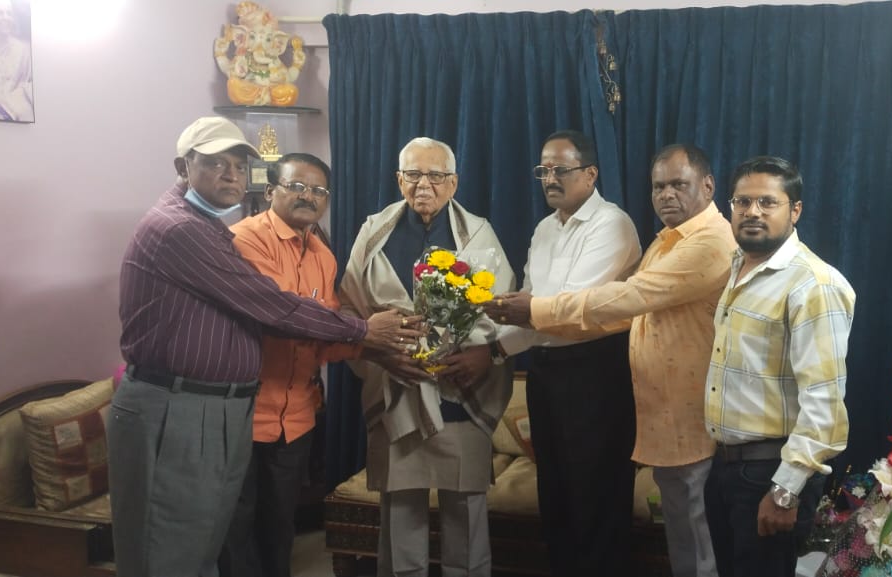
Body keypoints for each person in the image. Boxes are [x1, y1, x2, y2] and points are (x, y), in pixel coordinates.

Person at [110, 116, 422, 577]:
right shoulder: (187, 230)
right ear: (183, 167)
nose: (231, 175)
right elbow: (273, 308)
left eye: (239, 166)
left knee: (214, 540)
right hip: (182, 406)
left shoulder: (232, 232)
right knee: (178, 547)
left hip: (234, 409)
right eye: (216, 163)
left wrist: (372, 347)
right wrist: (363, 332)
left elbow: (312, 332)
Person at [484, 144, 735, 577]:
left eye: (679, 184)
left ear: (709, 186)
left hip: (679, 409)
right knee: (677, 536)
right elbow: (628, 313)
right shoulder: (667, 239)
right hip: (662, 411)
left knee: (695, 539)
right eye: (658, 186)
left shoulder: (708, 241)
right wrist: (507, 336)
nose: (666, 195)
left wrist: (534, 310)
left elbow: (627, 298)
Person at [338, 137, 516, 577]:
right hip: (396, 387)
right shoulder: (374, 232)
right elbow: (349, 307)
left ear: (453, 183)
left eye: (436, 176)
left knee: (466, 513)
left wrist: (483, 354)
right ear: (398, 179)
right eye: (414, 175)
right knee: (401, 511)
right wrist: (380, 356)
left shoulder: (478, 233)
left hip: (460, 390)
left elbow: (502, 307)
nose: (424, 185)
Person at [218, 153, 392, 577]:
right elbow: (281, 314)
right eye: (296, 186)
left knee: (280, 526)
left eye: (318, 191)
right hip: (242, 413)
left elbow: (323, 342)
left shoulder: (322, 255)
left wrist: (380, 349)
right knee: (235, 528)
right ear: (270, 190)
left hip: (296, 417)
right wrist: (364, 331)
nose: (308, 197)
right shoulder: (244, 239)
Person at [490, 130, 643, 577]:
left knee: (595, 496)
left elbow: (570, 307)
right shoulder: (544, 228)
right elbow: (533, 309)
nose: (549, 178)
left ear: (590, 174)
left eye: (560, 169)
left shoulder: (612, 224)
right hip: (545, 373)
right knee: (555, 493)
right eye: (543, 169)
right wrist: (494, 347)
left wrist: (520, 313)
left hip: (594, 374)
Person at [702, 156, 855, 577]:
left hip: (772, 473)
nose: (752, 212)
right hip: (727, 466)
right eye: (742, 202)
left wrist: (786, 490)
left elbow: (824, 402)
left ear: (795, 210)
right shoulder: (740, 266)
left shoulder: (812, 284)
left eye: (768, 202)